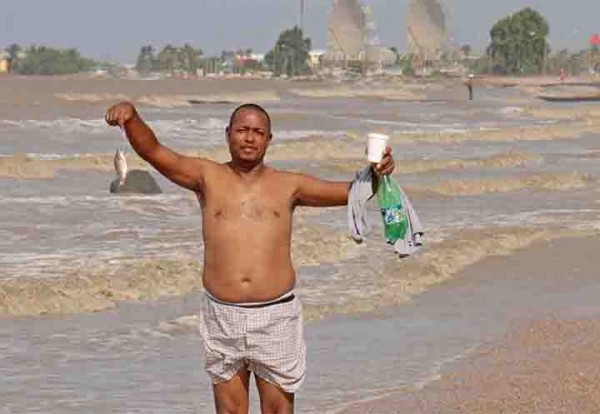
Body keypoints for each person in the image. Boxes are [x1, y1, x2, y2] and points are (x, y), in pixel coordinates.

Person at [105, 102, 395, 414]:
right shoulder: (207, 176)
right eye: (242, 130)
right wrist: (131, 118)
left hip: (275, 315)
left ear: (269, 139)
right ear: (228, 135)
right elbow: (154, 152)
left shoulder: (289, 185)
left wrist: (379, 173)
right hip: (222, 315)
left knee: (278, 411)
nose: (249, 138)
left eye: (258, 132)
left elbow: (351, 193)